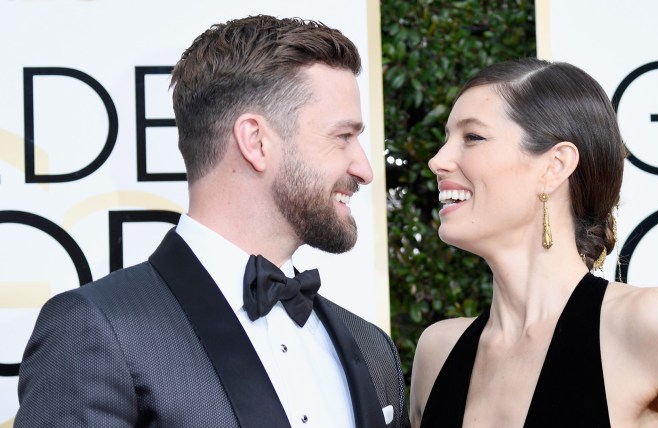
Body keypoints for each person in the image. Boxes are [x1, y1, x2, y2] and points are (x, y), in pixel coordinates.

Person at [16, 15, 408, 428]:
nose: (364, 168)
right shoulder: (98, 330)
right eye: (343, 136)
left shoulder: (371, 348)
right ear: (255, 141)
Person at [410, 58, 658, 427]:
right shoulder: (438, 351)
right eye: (446, 138)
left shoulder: (650, 325)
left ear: (555, 166)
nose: (438, 160)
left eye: (472, 137)